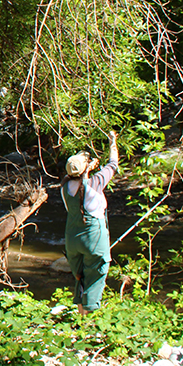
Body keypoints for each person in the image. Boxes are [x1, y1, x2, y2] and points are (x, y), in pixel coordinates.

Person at [61, 130, 119, 313]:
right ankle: (91, 318)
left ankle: (80, 314)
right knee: (96, 274)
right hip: (93, 237)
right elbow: (113, 164)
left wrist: (86, 169)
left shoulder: (64, 186)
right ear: (86, 169)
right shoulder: (95, 183)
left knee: (80, 276)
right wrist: (112, 142)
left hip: (72, 239)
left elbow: (76, 179)